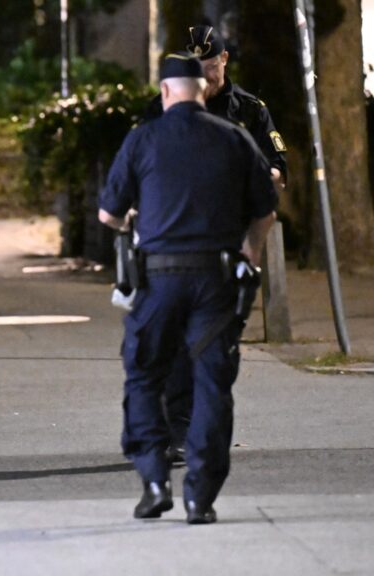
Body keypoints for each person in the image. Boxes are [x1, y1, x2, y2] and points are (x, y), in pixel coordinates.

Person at [99, 53, 278, 524]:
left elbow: (108, 214)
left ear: (165, 91)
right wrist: (250, 253)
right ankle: (201, 497)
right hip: (216, 279)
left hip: (158, 279)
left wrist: (134, 220)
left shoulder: (143, 138)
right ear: (202, 90)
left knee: (144, 375)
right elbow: (265, 211)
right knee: (213, 384)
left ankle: (155, 481)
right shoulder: (235, 137)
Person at [144, 24, 288, 464]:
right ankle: (179, 430)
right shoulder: (163, 106)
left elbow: (278, 170)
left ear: (224, 60)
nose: (202, 75)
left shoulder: (250, 110)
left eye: (209, 65)